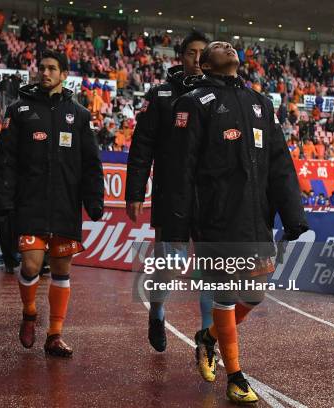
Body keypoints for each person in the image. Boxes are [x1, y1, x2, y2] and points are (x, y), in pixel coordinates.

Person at [166, 42, 308, 403]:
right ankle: (235, 376)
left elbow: (280, 163)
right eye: (218, 46)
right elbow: (179, 171)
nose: (227, 46)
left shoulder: (261, 103)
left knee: (255, 294)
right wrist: (177, 229)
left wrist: (294, 218)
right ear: (205, 63)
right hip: (214, 216)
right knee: (226, 293)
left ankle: (208, 338)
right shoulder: (193, 103)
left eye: (230, 44)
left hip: (255, 215)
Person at [0, 50, 104, 357]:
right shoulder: (19, 111)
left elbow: (91, 163)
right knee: (30, 264)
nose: (45, 72)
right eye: (41, 67)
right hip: (30, 204)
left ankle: (54, 335)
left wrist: (94, 200)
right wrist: (3, 199)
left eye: (52, 68)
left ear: (63, 74)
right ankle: (29, 312)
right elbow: (6, 160)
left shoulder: (80, 115)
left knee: (61, 271)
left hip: (65, 206)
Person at [125, 30, 211, 353]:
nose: (198, 58)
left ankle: (206, 339)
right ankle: (157, 313)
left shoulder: (219, 96)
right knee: (169, 266)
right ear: (181, 56)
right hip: (171, 195)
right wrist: (135, 192)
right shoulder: (160, 95)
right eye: (192, 52)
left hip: (209, 198)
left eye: (204, 52)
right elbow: (142, 145)